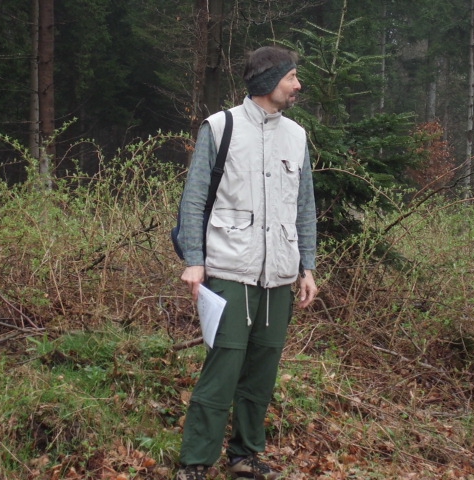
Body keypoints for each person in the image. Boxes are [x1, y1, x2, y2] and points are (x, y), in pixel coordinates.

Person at [174, 45, 318, 480]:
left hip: (280, 277)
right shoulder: (221, 127)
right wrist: (194, 260)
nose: (297, 85)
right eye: (291, 77)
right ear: (268, 80)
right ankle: (196, 461)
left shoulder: (297, 136)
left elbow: (304, 207)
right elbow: (194, 199)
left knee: (261, 374)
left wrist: (307, 266)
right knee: (223, 369)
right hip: (229, 271)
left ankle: (245, 456)